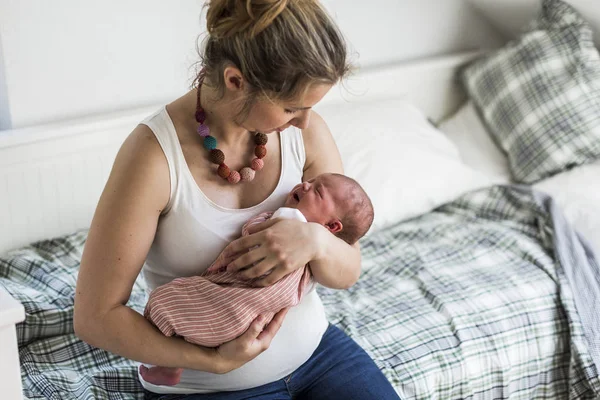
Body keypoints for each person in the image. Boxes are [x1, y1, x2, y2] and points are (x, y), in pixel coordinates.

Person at [73, 0, 401, 398]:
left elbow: (348, 269)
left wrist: (314, 242)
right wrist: (213, 361)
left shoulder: (305, 134)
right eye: (291, 107)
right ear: (235, 81)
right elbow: (95, 317)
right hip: (209, 386)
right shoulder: (154, 156)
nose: (305, 122)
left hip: (320, 355)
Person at [142, 173, 374, 386]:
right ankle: (172, 361)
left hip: (271, 330)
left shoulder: (288, 221)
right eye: (310, 181)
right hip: (238, 339)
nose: (305, 184)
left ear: (332, 226)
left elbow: (252, 235)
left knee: (163, 302)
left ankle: (169, 365)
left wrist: (313, 238)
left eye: (317, 191)